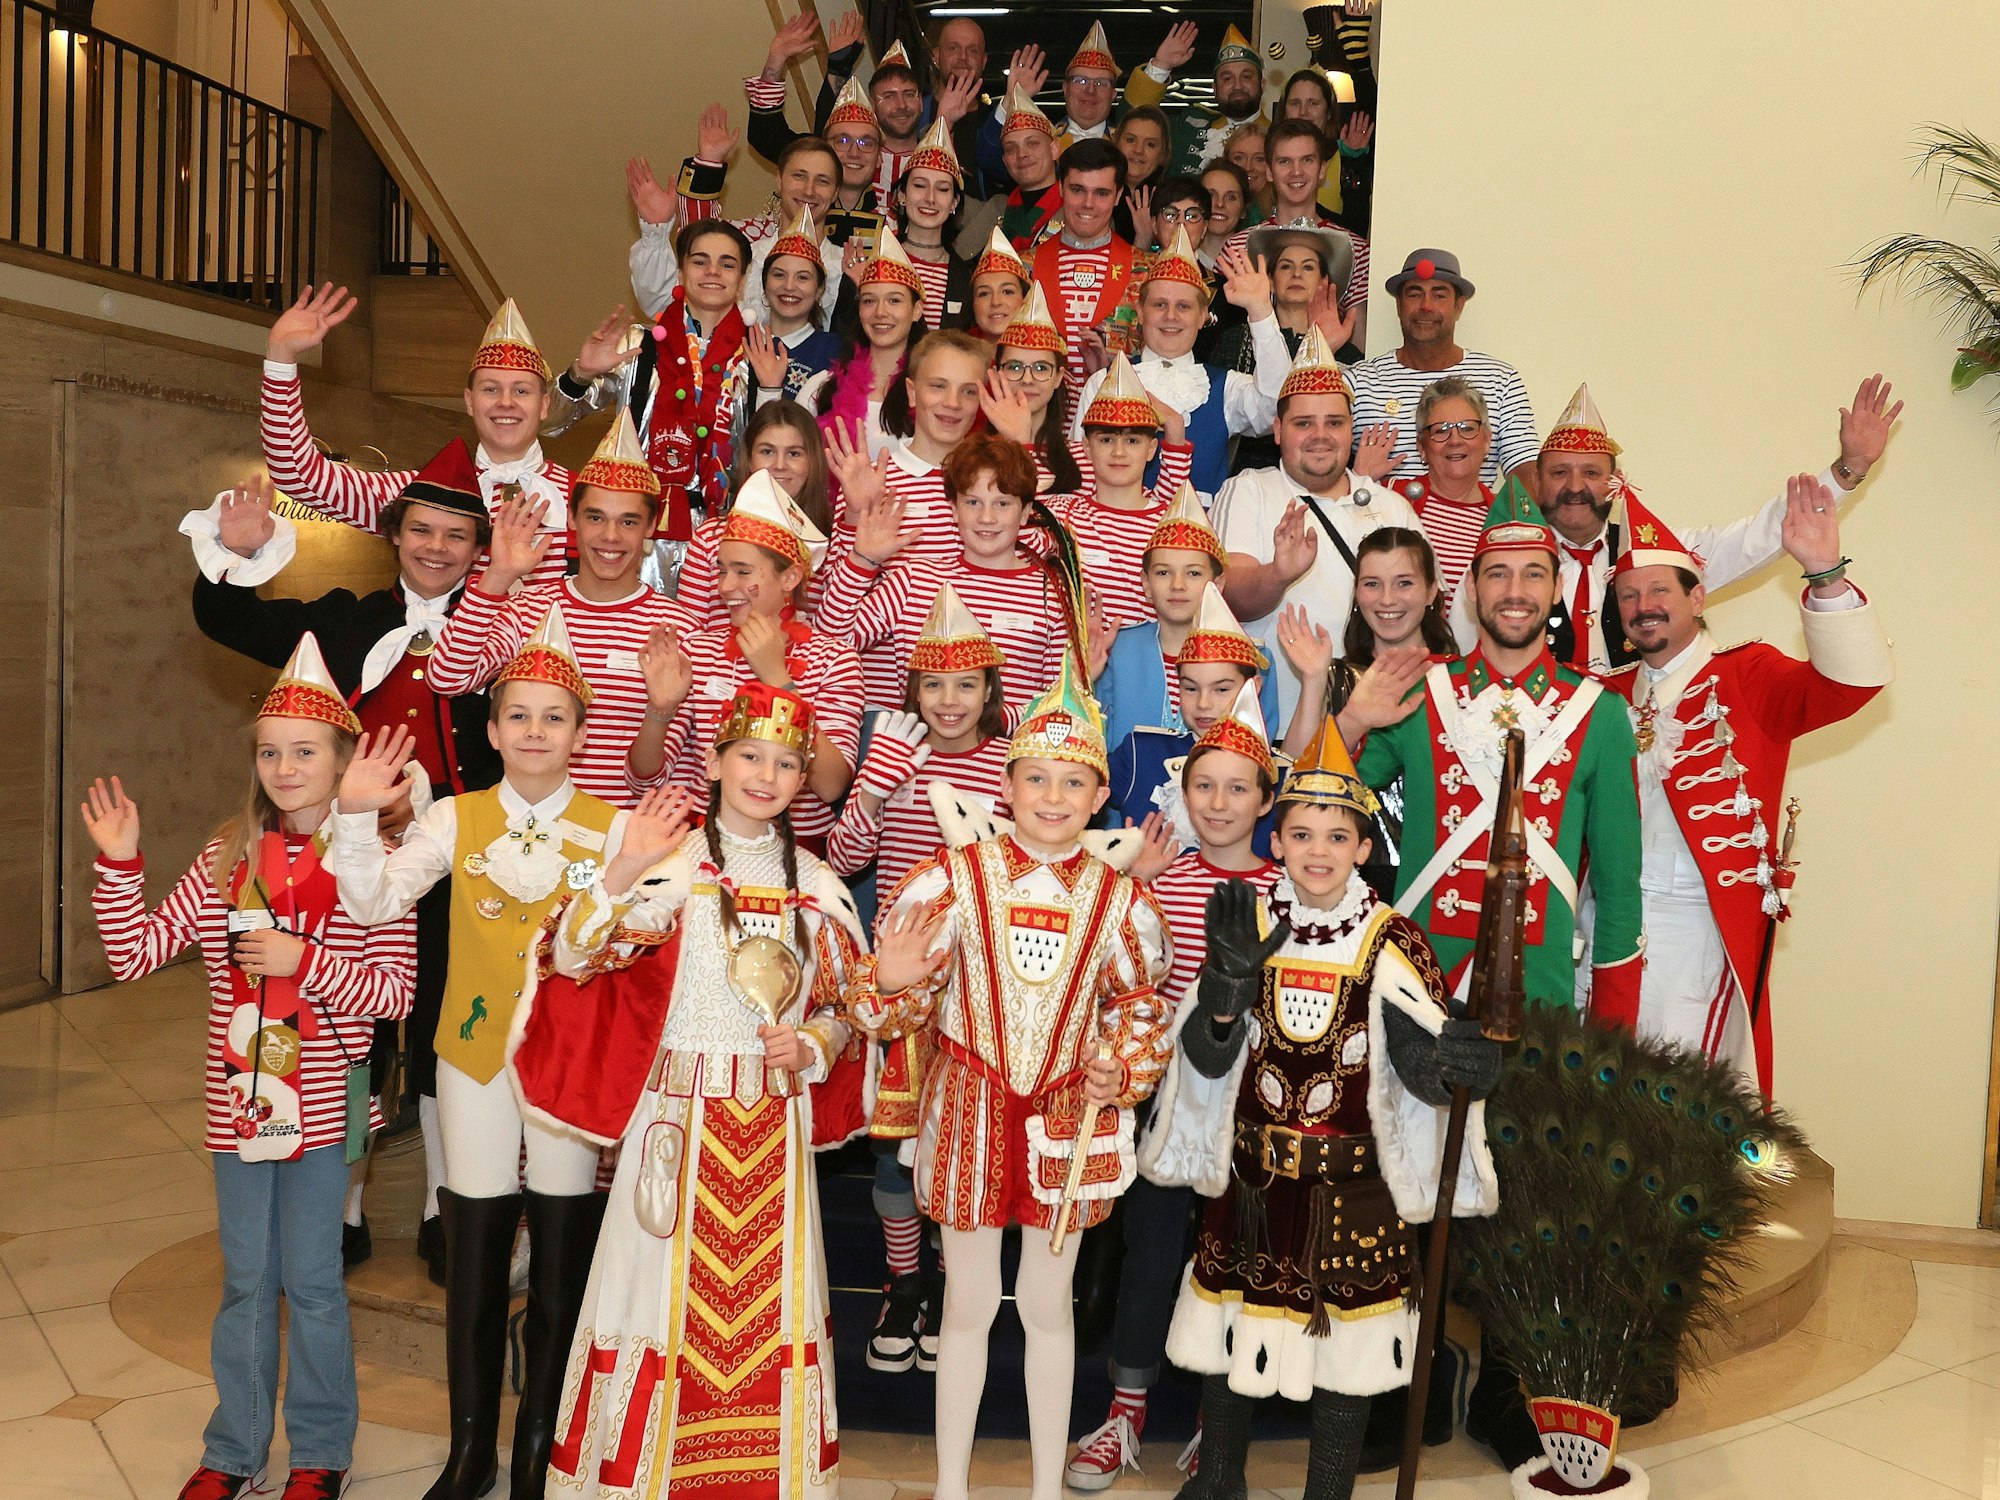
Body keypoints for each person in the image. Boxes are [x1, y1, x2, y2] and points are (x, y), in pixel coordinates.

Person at [1343, 480, 1643, 1473]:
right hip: (1421, 990)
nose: (1513, 591)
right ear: (1468, 590)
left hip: (1541, 1000)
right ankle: (1410, 1383)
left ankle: (1507, 1392)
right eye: (1496, 574)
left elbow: (1620, 889)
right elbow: (1332, 800)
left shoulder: (1600, 714)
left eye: (1531, 574)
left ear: (1554, 588)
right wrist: (1349, 715)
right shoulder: (1420, 690)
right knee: (1403, 1197)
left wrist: (1611, 1033)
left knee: (1523, 1212)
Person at [513, 684, 868, 1500]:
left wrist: (814, 1044)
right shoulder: (673, 869)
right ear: (712, 762)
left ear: (802, 778)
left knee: (770, 1320)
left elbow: (847, 1009)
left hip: (774, 1131)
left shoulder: (818, 884)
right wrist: (621, 869)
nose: (765, 775)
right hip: (674, 1129)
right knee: (654, 1309)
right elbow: (573, 958)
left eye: (786, 763)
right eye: (749, 756)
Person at [85, 637, 417, 1500]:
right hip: (239, 1108)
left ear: (343, 762)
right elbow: (134, 954)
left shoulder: (376, 866)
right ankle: (233, 1450)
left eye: (305, 752)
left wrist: (306, 962)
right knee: (245, 1283)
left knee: (312, 1283)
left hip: (324, 1110)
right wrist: (120, 862)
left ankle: (321, 1452)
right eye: (270, 753)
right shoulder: (225, 855)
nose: (285, 769)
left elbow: (394, 994)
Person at [1139, 721, 1501, 1500]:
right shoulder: (1247, 929)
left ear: (1363, 848)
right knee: (1230, 1344)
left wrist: (1461, 1069)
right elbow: (1205, 1060)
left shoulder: (1393, 943)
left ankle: (1327, 1494)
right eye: (1301, 834)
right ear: (1277, 841)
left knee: (1349, 1365)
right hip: (1253, 1189)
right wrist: (1225, 996)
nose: (1318, 851)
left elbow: (1422, 1076)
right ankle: (1218, 1481)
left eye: (1337, 837)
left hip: (1355, 1195)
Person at [853, 648, 1173, 1500]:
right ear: (1006, 785)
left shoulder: (1119, 900)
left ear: (1100, 796)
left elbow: (1138, 1003)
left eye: (1073, 783)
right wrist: (888, 982)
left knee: (1046, 1304)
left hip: (1066, 1116)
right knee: (965, 1300)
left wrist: (1121, 1068)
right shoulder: (952, 880)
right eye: (1036, 779)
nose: (1053, 797)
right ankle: (951, 1487)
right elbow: (887, 1008)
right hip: (968, 1106)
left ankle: (1041, 1489)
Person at [328, 612, 631, 1500]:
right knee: (474, 1246)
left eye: (555, 717)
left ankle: (539, 1442)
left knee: (563, 1248)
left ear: (581, 733)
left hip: (567, 1062)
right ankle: (470, 1449)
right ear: (492, 730)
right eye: (518, 716)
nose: (535, 731)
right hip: (471, 1055)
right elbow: (372, 903)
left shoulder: (615, 830)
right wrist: (357, 815)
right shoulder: (454, 818)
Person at [186, 449, 497, 1284]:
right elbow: (232, 623)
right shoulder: (346, 619)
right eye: (422, 529)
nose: (437, 547)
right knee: (346, 1034)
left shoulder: (498, 628)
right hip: (337, 858)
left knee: (443, 1032)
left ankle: (442, 1208)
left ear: (480, 548)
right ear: (394, 534)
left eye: (457, 535)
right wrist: (236, 554)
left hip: (457, 863)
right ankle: (342, 1213)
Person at [1064, 680, 1282, 1491]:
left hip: (1251, 1107)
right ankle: (1125, 1410)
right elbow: (1117, 978)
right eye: (1204, 787)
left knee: (1232, 1258)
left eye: (1237, 789)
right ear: (1182, 794)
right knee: (1152, 1254)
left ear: (1265, 800)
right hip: (1163, 1101)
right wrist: (1136, 887)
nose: (1219, 804)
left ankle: (1215, 1426)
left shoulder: (1288, 893)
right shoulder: (1162, 879)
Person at [1605, 483, 1891, 1095]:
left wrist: (1826, 576)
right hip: (1603, 919)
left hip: (1696, 926)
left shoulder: (1749, 673)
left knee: (1676, 1101)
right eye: (1628, 594)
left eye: (1659, 589)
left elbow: (1853, 684)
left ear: (1697, 596)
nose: (1643, 605)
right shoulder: (1605, 693)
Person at [826, 591, 1015, 1374]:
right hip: (902, 979)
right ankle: (904, 1281)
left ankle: (948, 1282)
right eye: (933, 685)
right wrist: (874, 787)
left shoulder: (1010, 764)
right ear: (912, 691)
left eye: (965, 685)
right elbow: (844, 859)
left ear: (990, 690)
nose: (949, 700)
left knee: (959, 1141)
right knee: (893, 1145)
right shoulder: (895, 753)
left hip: (980, 982)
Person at [1452, 376, 1904, 673]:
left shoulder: (1659, 556)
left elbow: (1759, 536)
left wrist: (1847, 470)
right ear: (1537, 481)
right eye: (1558, 472)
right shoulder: (1506, 566)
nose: (1575, 487)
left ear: (1614, 481)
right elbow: (1464, 653)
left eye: (1590, 473)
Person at [424, 415, 694, 808]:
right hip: (527, 828)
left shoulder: (678, 630)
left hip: (624, 831)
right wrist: (498, 575)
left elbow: (650, 782)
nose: (610, 537)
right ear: (572, 519)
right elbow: (447, 678)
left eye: (628, 521)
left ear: (651, 526)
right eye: (595, 517)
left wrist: (659, 710)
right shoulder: (527, 608)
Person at [261, 288, 572, 591]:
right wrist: (281, 358)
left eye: (521, 391)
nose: (505, 402)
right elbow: (297, 474)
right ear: (469, 401)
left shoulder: (582, 496)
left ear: (544, 405)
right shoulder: (417, 494)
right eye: (490, 389)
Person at [632, 472, 863, 847]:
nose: (725, 587)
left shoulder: (834, 659)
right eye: (722, 570)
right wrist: (659, 711)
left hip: (795, 852)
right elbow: (644, 779)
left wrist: (778, 679)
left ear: (790, 577)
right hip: (704, 844)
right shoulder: (700, 652)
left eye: (743, 571)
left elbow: (832, 786)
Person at [1211, 329, 1418, 723]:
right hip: (1273, 725)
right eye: (1304, 423)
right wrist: (1278, 574)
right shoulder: (1248, 489)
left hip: (1381, 726)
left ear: (1351, 428)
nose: (1320, 436)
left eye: (1334, 422)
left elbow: (1425, 609)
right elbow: (1228, 596)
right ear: (1278, 430)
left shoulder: (1393, 507)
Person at [818, 431, 1074, 716]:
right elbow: (828, 645)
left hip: (1011, 745)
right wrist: (862, 561)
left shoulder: (1051, 594)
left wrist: (992, 722)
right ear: (953, 509)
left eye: (1002, 504)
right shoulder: (914, 580)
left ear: (1025, 512)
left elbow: (1058, 702)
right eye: (972, 502)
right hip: (917, 744)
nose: (986, 517)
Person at [556, 219, 755, 544]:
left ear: (743, 280)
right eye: (700, 261)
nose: (713, 271)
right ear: (680, 273)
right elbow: (551, 422)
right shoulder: (639, 346)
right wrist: (582, 373)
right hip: (636, 536)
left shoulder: (758, 356)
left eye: (727, 264)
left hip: (727, 540)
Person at [1069, 233, 1287, 501]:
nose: (1170, 316)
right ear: (1140, 312)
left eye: (1183, 306)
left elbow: (1277, 406)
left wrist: (1261, 311)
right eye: (1159, 304)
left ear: (1202, 316)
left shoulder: (1225, 387)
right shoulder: (1102, 383)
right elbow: (1078, 479)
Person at [628, 116, 859, 320]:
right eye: (799, 176)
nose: (809, 190)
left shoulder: (848, 270)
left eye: (822, 181)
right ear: (779, 180)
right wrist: (655, 231)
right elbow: (669, 307)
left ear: (835, 192)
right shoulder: (744, 260)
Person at [1347, 249, 1538, 486]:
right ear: (1399, 305)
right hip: (1376, 510)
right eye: (1414, 294)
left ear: (1459, 306)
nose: (1426, 306)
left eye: (1439, 296)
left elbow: (1525, 471)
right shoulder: (1359, 382)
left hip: (1472, 511)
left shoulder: (1501, 380)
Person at [1103, 583, 1278, 841]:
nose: (1203, 703)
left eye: (1221, 689)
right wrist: (1081, 676)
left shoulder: (1272, 772)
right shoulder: (1141, 754)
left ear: (1254, 687)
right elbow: (1071, 782)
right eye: (1191, 688)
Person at [822, 328, 994, 559]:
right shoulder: (869, 482)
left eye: (969, 391)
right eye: (938, 386)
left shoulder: (997, 480)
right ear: (911, 393)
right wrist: (855, 516)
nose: (953, 403)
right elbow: (835, 582)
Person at [1053, 354, 1196, 620]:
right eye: (1106, 440)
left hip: (1144, 646)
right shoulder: (1062, 514)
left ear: (1151, 449)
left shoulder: (1169, 525)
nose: (1118, 452)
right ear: (1086, 447)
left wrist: (1175, 431)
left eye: (1132, 441)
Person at [676, 399, 835, 631]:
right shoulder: (709, 538)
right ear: (749, 459)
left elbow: (837, 634)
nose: (779, 465)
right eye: (767, 451)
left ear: (813, 462)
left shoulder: (833, 543)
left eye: (794, 453)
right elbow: (687, 632)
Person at [1217, 121, 1370, 333]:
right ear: (1269, 172)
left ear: (1322, 169)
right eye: (1284, 161)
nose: (1296, 171)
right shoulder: (1237, 248)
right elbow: (1226, 334)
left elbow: (1359, 339)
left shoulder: (1356, 250)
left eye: (1307, 160)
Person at [798, 226, 926, 458]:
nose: (880, 312)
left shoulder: (933, 392)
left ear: (916, 310)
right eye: (869, 301)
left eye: (894, 301)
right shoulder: (820, 388)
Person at [1029, 138, 1137, 390]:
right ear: (1060, 188)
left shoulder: (1146, 270)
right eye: (1077, 190)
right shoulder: (1023, 267)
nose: (1088, 203)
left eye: (1101, 193)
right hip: (1041, 413)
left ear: (1118, 195)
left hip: (1116, 411)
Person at [1126, 22, 1269, 177]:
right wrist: (1160, 66)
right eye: (1227, 78)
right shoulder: (1187, 126)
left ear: (1262, 85)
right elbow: (1131, 120)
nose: (1237, 85)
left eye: (1246, 77)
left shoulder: (1275, 136)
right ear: (1215, 88)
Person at [1395, 375, 1495, 594]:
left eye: (1467, 428)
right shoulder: (1391, 499)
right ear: (1421, 447)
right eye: (1441, 430)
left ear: (1487, 440)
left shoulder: (1507, 516)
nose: (1455, 440)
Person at [741, 210, 843, 404]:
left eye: (802, 277)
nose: (789, 286)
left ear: (819, 289)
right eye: (779, 275)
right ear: (764, 284)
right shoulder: (742, 343)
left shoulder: (836, 352)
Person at [993, 285, 1084, 494]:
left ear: (1058, 378)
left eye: (1041, 368)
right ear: (997, 374)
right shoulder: (973, 456)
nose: (1027, 379)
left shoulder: (1085, 460)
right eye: (1015, 367)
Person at [894, 118, 976, 327]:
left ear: (954, 202)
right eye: (920, 186)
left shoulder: (967, 278)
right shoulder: (877, 261)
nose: (930, 198)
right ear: (902, 195)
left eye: (942, 189)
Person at [1277, 66, 1374, 230]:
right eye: (1295, 103)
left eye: (1313, 103)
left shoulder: (1345, 158)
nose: (1303, 112)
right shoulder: (1269, 156)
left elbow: (1356, 229)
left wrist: (1353, 161)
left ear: (1329, 111)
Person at [991, 86, 1065, 249]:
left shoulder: (1078, 207)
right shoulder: (996, 208)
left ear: (1054, 150)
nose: (1021, 154)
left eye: (1032, 143)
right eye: (1011, 148)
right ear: (1005, 161)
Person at [1111, 105, 1174, 244]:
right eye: (1130, 140)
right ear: (1116, 143)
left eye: (1150, 144)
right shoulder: (1095, 194)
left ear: (1163, 155)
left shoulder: (1173, 203)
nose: (1138, 150)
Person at [967, 226, 1031, 337]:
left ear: (1026, 298)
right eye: (984, 294)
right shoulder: (954, 347)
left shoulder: (1048, 348)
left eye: (1007, 292)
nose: (995, 302)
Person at [1199, 161, 1253, 268]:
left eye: (1231, 197)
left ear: (1243, 209)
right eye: (1210, 195)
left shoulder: (1254, 265)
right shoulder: (1178, 261)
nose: (1220, 204)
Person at [1224, 122, 1273, 223]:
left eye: (1259, 159)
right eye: (1239, 158)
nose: (1248, 168)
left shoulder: (1282, 209)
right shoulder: (1212, 205)